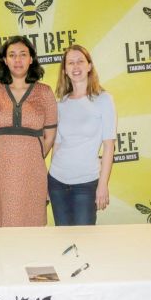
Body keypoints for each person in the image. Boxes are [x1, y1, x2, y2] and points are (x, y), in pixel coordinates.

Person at [0, 36, 57, 227]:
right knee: (3, 225)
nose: (17, 60)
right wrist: (2, 152)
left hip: (31, 168)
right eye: (12, 55)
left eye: (23, 54)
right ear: (4, 60)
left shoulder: (45, 92)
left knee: (31, 224)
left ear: (31, 59)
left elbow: (49, 135)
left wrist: (32, 154)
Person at [48, 44, 117, 226]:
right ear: (65, 70)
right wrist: (49, 181)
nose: (76, 67)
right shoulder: (60, 103)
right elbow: (57, 144)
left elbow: (109, 146)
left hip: (86, 184)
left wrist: (103, 185)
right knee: (63, 240)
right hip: (56, 182)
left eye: (80, 61)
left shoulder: (103, 99)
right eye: (70, 63)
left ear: (89, 66)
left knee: (85, 242)